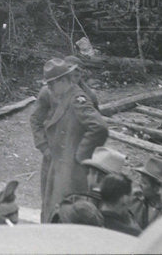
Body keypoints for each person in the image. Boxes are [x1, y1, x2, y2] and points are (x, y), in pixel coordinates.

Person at [36, 58, 108, 222]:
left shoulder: (77, 100)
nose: (49, 89)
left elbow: (100, 127)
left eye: (51, 84)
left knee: (64, 210)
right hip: (60, 164)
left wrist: (80, 155)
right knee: (52, 207)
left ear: (62, 81)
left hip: (71, 169)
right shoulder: (66, 97)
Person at [129, 156, 162, 229]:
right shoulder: (135, 200)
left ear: (158, 189)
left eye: (144, 183)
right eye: (140, 180)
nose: (139, 184)